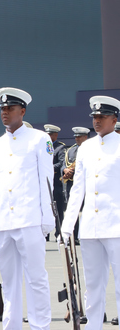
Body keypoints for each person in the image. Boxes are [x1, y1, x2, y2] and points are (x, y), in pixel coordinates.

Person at [0, 87, 54, 330]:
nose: (5, 113)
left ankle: (41, 326)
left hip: (30, 219)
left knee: (36, 278)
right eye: (3, 109)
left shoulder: (40, 139)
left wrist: (47, 217)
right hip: (6, 222)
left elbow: (47, 181)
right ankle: (11, 325)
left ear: (23, 111)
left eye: (10, 108)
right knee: (9, 281)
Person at [60, 96, 120, 330]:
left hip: (116, 225)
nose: (96, 121)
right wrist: (67, 226)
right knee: (92, 285)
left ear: (114, 119)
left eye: (102, 117)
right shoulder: (86, 148)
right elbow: (78, 190)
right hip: (90, 226)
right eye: (94, 117)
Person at [62, 127, 89, 241]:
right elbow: (65, 163)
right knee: (73, 210)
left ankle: (85, 234)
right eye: (75, 137)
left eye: (79, 137)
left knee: (87, 210)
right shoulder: (71, 150)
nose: (76, 139)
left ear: (85, 137)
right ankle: (75, 236)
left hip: (86, 184)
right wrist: (65, 170)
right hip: (71, 184)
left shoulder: (91, 149)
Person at [44, 124, 66, 237]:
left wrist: (49, 168)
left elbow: (61, 163)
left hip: (56, 183)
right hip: (45, 183)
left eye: (49, 134)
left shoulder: (60, 147)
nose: (47, 136)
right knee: (45, 208)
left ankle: (59, 232)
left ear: (55, 135)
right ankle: (45, 233)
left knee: (58, 209)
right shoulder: (43, 146)